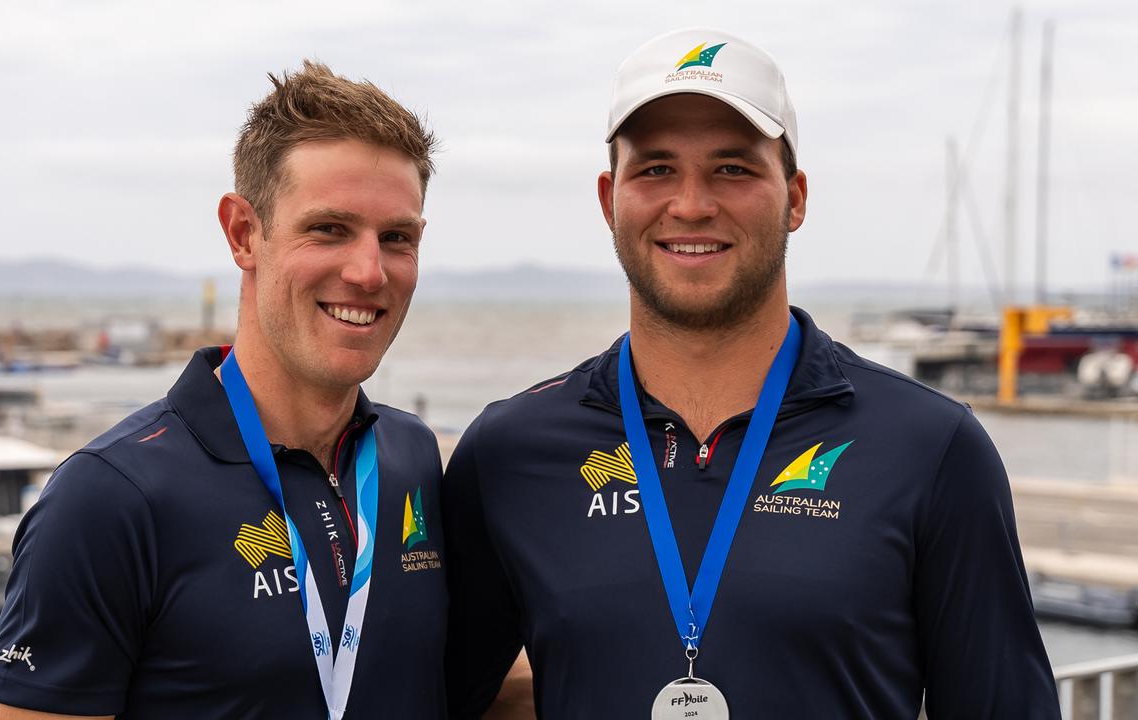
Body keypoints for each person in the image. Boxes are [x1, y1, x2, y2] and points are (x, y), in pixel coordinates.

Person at [442, 27, 1059, 719]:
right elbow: (428, 696)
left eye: (733, 169)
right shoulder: (508, 452)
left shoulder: (931, 447)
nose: (693, 204)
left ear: (795, 197)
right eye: (655, 169)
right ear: (608, 198)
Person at [0, 61, 447, 719]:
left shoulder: (413, 458)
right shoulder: (110, 497)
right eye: (329, 229)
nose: (369, 272)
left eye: (397, 238)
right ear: (243, 233)